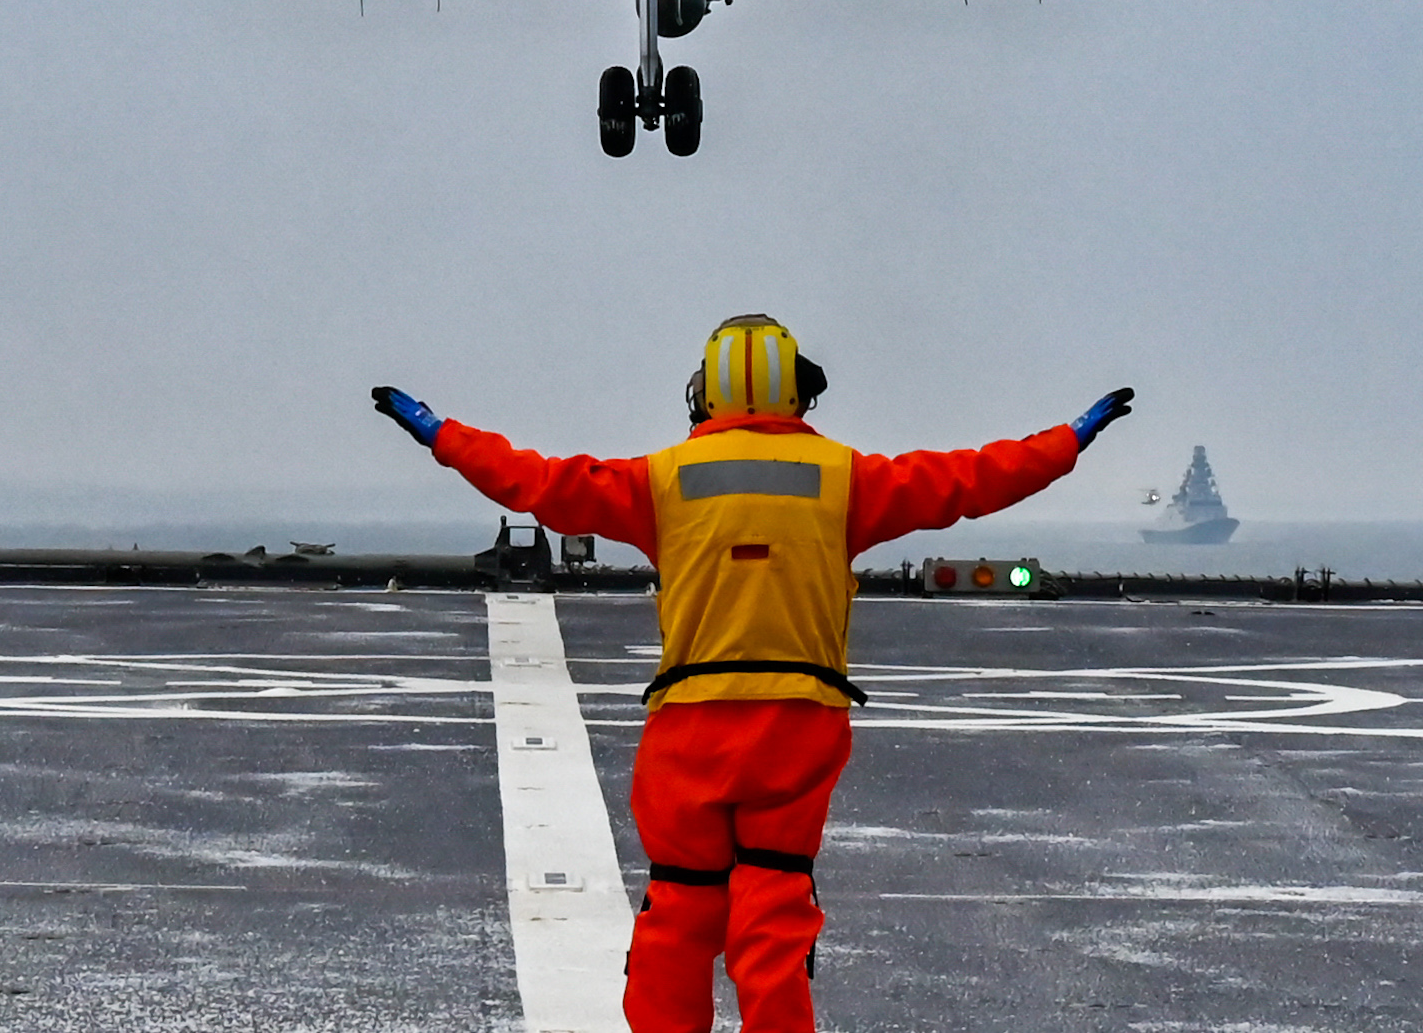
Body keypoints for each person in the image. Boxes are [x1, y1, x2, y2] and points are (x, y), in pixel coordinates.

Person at [372, 313, 1130, 1033]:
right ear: (795, 390)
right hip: (799, 723)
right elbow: (970, 480)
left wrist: (443, 435)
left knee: (679, 906)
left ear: (707, 393)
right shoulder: (846, 478)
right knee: (773, 904)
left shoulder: (661, 479)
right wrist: (1066, 440)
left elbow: (533, 482)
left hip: (691, 725)